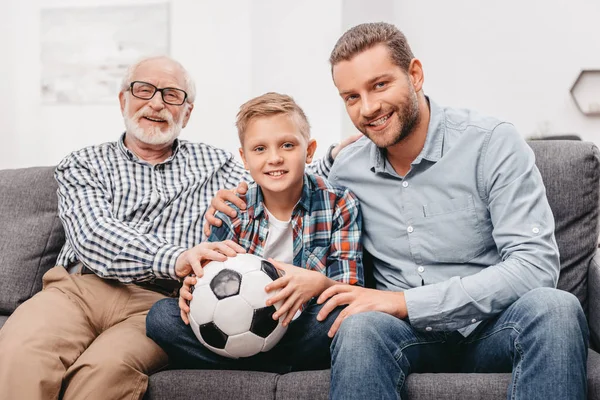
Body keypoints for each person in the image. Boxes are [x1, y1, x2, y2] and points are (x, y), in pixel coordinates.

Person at [207, 23, 589, 399]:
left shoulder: (492, 144)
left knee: (555, 307)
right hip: (402, 335)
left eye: (379, 85)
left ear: (415, 75)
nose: (368, 108)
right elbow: (294, 180)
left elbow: (535, 265)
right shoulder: (347, 168)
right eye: (351, 97)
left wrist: (405, 303)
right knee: (358, 327)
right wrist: (234, 197)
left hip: (492, 326)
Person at [0, 56, 354, 400]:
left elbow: (276, 173)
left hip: (155, 301)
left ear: (188, 111)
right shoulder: (84, 163)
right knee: (21, 352)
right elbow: (93, 234)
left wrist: (337, 156)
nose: (156, 103)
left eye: (172, 95)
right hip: (78, 289)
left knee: (107, 371)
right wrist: (177, 257)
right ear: (123, 99)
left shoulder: (216, 165)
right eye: (143, 90)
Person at [146, 92, 364, 372]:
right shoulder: (231, 209)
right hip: (236, 327)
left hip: (302, 328)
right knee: (160, 316)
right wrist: (191, 291)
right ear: (244, 159)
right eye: (260, 149)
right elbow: (207, 281)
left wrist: (318, 283)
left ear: (309, 151)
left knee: (343, 317)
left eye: (287, 145)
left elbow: (350, 291)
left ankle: (247, 369)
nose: (274, 158)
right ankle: (270, 364)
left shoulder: (339, 204)